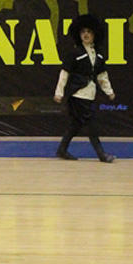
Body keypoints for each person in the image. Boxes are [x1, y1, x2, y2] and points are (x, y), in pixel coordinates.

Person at [53, 14, 116, 163]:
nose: (86, 34)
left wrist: (109, 91)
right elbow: (64, 74)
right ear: (78, 35)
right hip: (77, 95)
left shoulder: (99, 55)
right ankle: (102, 155)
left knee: (75, 125)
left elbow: (102, 76)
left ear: (94, 34)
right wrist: (59, 93)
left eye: (89, 31)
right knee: (91, 124)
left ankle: (62, 150)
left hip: (90, 94)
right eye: (83, 32)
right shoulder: (74, 53)